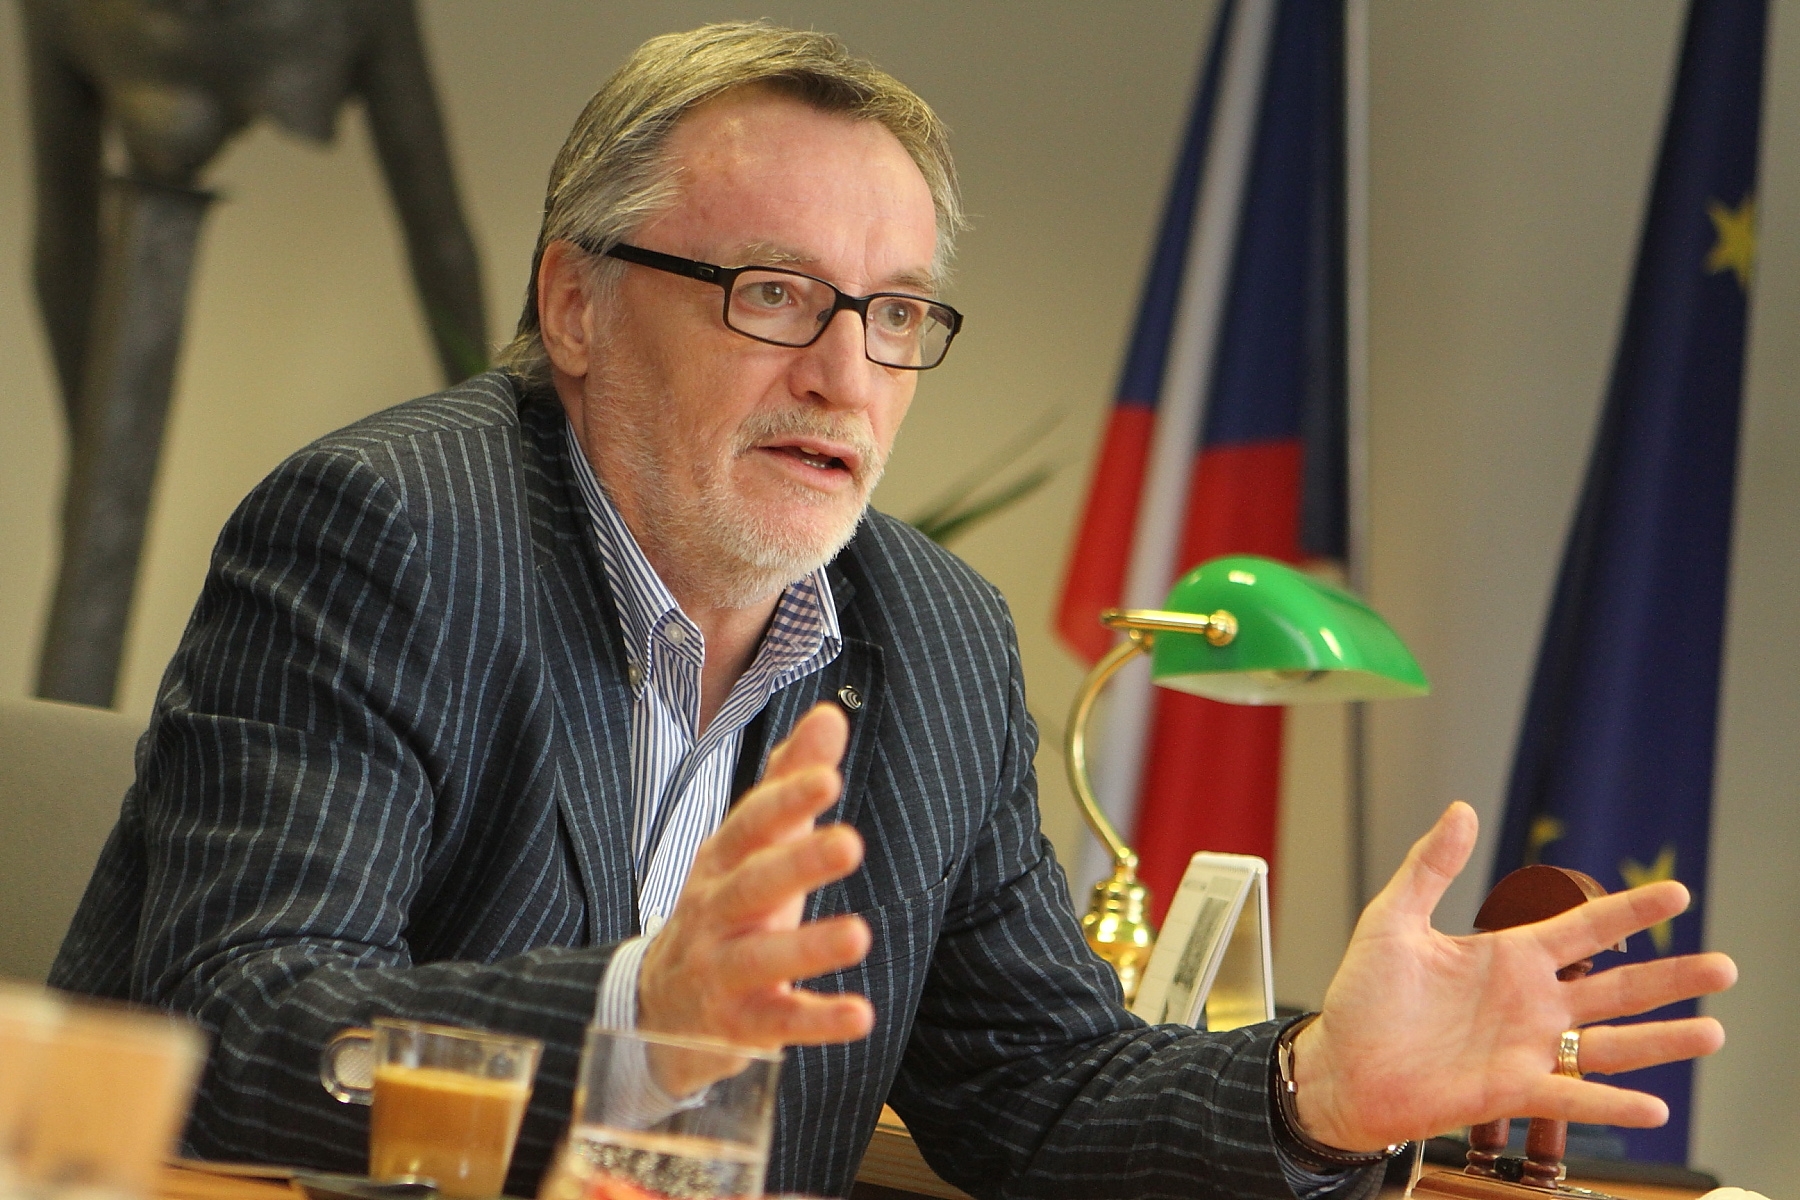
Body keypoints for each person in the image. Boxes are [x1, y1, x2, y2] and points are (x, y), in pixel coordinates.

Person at [51, 22, 1735, 1200]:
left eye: (897, 312)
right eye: (774, 293)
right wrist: (639, 1016)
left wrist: (1316, 1094)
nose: (847, 375)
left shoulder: (932, 638)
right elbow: (232, 1026)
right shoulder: (391, 532)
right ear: (576, 302)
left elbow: (1043, 1093)